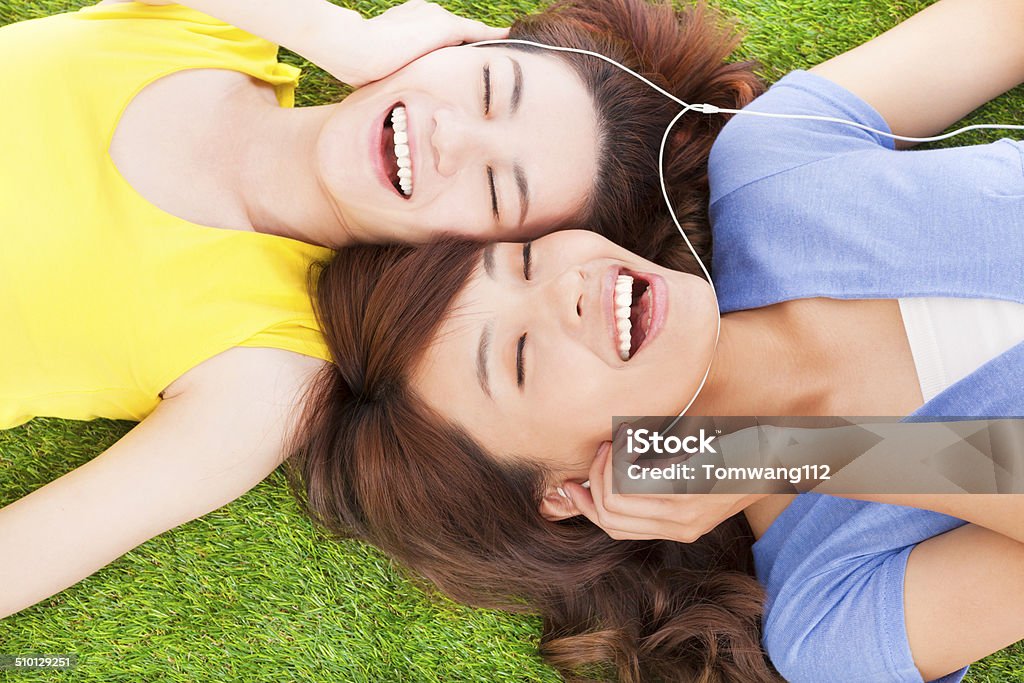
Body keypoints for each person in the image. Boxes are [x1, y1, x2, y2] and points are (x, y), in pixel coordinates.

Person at [285, 1, 1024, 680]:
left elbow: (997, 27)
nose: (564, 289)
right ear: (567, 493)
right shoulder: (828, 615)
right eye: (520, 356)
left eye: (524, 260)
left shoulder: (769, 169)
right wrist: (783, 451)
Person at [0, 0, 759, 618]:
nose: (449, 133)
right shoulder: (221, 32)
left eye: (498, 190)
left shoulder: (265, 370)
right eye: (491, 87)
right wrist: (342, 37)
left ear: (463, 258)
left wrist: (762, 461)